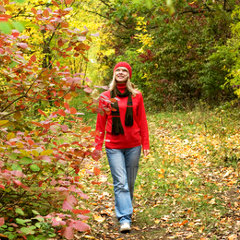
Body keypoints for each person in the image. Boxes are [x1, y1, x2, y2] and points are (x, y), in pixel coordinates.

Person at [95, 61, 150, 233]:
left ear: (129, 75)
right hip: (114, 146)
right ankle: (124, 218)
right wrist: (97, 146)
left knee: (130, 183)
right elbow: (100, 123)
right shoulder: (105, 96)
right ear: (114, 74)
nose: (120, 72)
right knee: (121, 182)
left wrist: (146, 143)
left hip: (134, 145)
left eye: (124, 70)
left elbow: (142, 121)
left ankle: (125, 207)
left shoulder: (137, 96)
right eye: (118, 70)